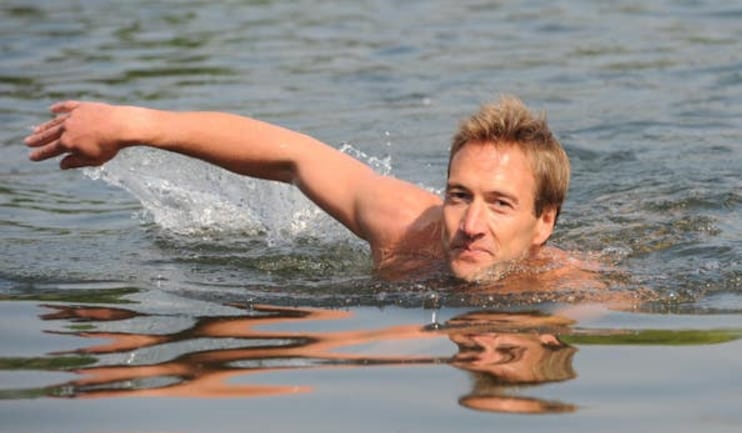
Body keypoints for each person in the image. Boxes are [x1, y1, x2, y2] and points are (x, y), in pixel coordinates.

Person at [25, 96, 599, 291]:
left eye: (499, 203)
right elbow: (295, 155)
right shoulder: (408, 229)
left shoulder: (573, 292)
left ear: (544, 222)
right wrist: (135, 126)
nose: (470, 223)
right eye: (458, 195)